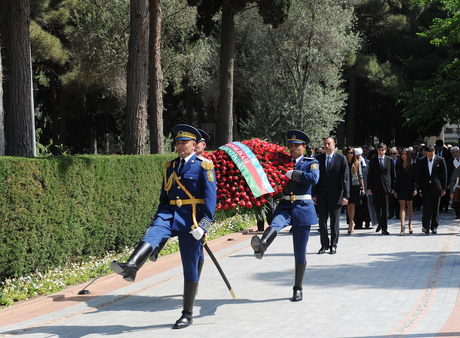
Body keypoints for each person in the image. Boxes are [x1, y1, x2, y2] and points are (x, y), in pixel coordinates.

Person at [111, 124, 217, 329]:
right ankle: (132, 266)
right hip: (169, 213)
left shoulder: (204, 166)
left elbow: (211, 202)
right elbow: (164, 197)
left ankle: (187, 313)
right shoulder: (170, 166)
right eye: (177, 143)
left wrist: (203, 227)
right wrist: (160, 216)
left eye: (184, 143)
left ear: (194, 145)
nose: (180, 146)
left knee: (189, 265)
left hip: (192, 219)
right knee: (153, 232)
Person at [250, 130, 319, 302]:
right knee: (276, 223)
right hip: (286, 204)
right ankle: (263, 245)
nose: (293, 148)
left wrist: (294, 174)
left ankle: (298, 288)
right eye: (291, 145)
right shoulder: (282, 162)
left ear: (304, 147)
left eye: (297, 146)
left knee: (299, 251)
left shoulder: (311, 162)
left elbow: (314, 178)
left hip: (303, 207)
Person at [313, 137, 349, 255]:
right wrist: (314, 195)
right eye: (325, 144)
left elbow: (345, 178)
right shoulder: (318, 159)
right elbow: (315, 179)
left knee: (335, 222)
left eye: (329, 144)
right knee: (322, 222)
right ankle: (324, 245)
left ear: (334, 145)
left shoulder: (341, 159)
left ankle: (334, 245)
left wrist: (346, 196)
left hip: (336, 195)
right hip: (322, 195)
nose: (326, 146)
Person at [417, 145, 447, 234]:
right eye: (428, 154)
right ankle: (425, 226)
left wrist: (443, 188)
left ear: (434, 152)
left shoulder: (440, 160)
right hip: (425, 187)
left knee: (435, 208)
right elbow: (419, 175)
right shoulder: (421, 161)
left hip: (436, 187)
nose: (429, 156)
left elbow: (444, 175)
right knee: (426, 207)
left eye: (431, 154)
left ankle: (434, 226)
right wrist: (420, 189)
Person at [367, 143, 396, 235]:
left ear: (385, 150)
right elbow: (370, 175)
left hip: (386, 187)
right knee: (376, 207)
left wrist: (393, 187)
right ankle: (380, 222)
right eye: (379, 150)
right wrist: (368, 187)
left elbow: (393, 175)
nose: (381, 152)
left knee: (385, 208)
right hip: (376, 187)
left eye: (383, 150)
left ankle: (384, 228)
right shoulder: (373, 160)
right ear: (377, 151)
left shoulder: (389, 160)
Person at [394, 148, 417, 235]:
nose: (404, 156)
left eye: (405, 154)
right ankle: (402, 226)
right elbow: (396, 178)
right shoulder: (398, 165)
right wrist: (395, 190)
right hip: (401, 187)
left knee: (410, 206)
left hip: (410, 187)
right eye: (402, 154)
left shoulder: (413, 165)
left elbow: (415, 178)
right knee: (402, 206)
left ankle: (410, 223)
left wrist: (415, 188)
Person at [345, 146, 365, 235]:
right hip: (346, 185)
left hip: (354, 185)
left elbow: (360, 176)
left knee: (352, 204)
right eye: (348, 153)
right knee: (348, 205)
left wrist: (363, 188)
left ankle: (351, 223)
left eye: (351, 153)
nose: (350, 154)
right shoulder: (344, 162)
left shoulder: (357, 163)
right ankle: (351, 221)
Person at [448, 147, 460, 218]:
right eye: (453, 152)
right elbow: (449, 173)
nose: (455, 153)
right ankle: (458, 214)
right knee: (455, 199)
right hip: (454, 182)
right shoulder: (449, 162)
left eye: (457, 152)